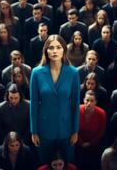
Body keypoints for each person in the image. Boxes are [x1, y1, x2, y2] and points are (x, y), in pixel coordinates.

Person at [30, 35, 80, 164]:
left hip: (66, 128)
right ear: (46, 50)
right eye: (51, 48)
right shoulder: (36, 73)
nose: (54, 51)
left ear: (64, 49)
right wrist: (34, 131)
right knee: (45, 163)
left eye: (58, 47)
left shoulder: (73, 72)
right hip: (44, 128)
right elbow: (34, 105)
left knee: (68, 163)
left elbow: (75, 104)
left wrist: (75, 131)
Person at [76, 90, 106, 170]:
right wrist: (80, 142)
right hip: (77, 144)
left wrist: (90, 143)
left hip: (94, 146)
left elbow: (101, 132)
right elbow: (73, 128)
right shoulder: (77, 110)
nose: (89, 103)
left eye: (92, 101)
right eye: (87, 100)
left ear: (96, 102)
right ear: (83, 100)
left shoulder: (101, 113)